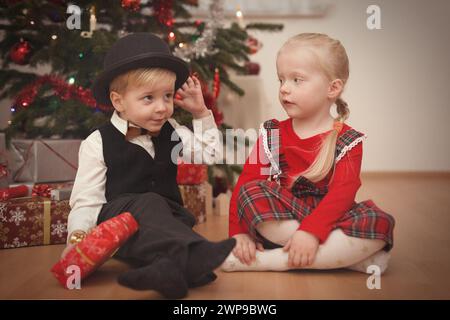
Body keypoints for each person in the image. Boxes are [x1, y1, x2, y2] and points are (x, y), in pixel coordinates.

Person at [64, 33, 235, 299]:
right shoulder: (97, 142)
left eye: (167, 96)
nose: (162, 108)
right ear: (118, 101)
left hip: (166, 223)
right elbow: (87, 201)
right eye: (148, 98)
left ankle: (168, 271)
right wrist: (77, 238)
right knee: (150, 202)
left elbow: (211, 155)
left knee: (184, 242)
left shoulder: (172, 129)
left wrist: (200, 113)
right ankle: (196, 250)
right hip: (120, 224)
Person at [222, 33, 395, 274]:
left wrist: (311, 231)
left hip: (331, 217)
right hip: (285, 216)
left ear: (332, 88)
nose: (284, 89)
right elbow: (246, 184)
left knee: (380, 222)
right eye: (281, 79)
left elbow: (342, 195)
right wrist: (238, 233)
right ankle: (342, 256)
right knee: (251, 193)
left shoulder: (347, 139)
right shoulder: (272, 133)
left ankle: (274, 261)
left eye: (296, 80)